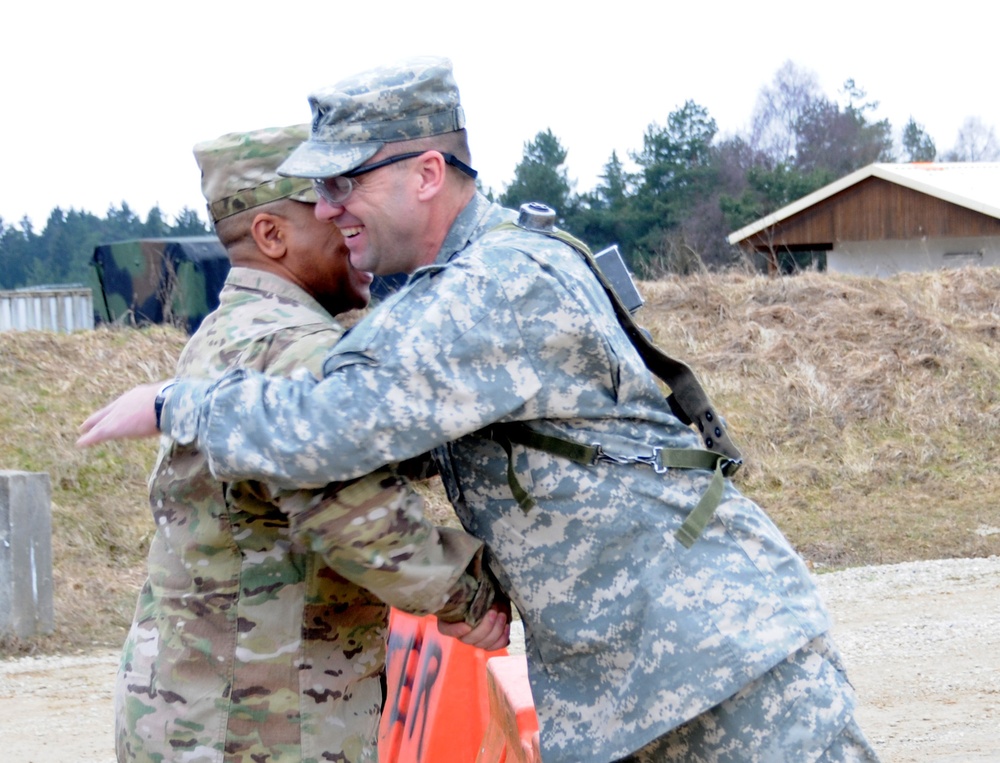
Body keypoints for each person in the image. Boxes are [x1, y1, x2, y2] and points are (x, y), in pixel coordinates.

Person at [80, 59, 880, 763]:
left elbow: (330, 429)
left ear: (427, 174)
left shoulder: (494, 285)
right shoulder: (448, 294)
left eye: (344, 182)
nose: (326, 209)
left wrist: (172, 403)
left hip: (718, 666)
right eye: (317, 190)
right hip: (632, 685)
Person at [112, 123, 504, 763]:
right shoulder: (297, 347)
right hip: (261, 717)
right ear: (272, 236)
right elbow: (351, 513)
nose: (344, 220)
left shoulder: (227, 330)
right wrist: (469, 594)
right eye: (324, 206)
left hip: (194, 700)